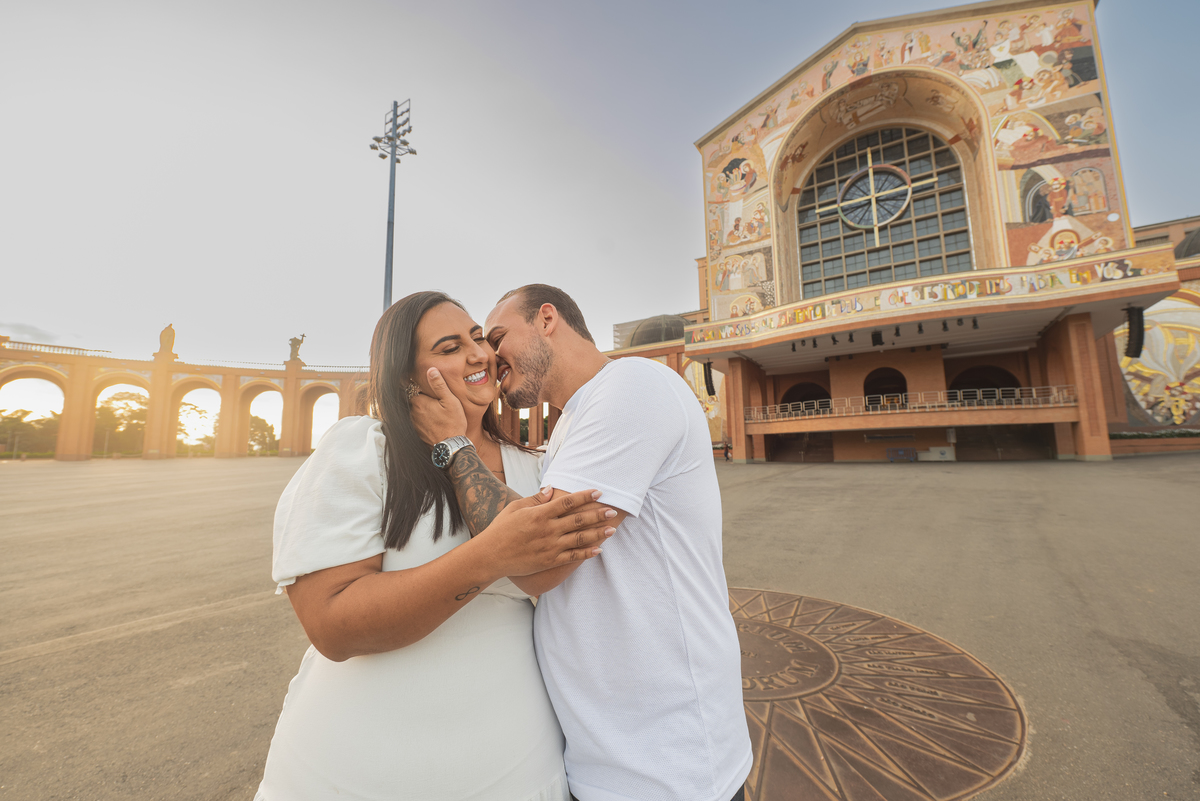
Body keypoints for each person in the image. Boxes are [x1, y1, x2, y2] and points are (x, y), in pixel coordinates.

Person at [255, 291, 617, 801]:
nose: (478, 355)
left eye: (478, 339)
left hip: (514, 767)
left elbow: (561, 567)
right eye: (449, 347)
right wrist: (488, 556)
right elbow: (330, 623)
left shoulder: (536, 467)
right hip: (356, 769)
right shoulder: (365, 450)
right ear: (407, 376)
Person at [412, 284, 752, 801]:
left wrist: (455, 448)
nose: (488, 357)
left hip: (670, 765)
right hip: (607, 758)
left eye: (497, 337)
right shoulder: (575, 421)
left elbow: (538, 564)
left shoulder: (634, 387)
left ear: (547, 318)